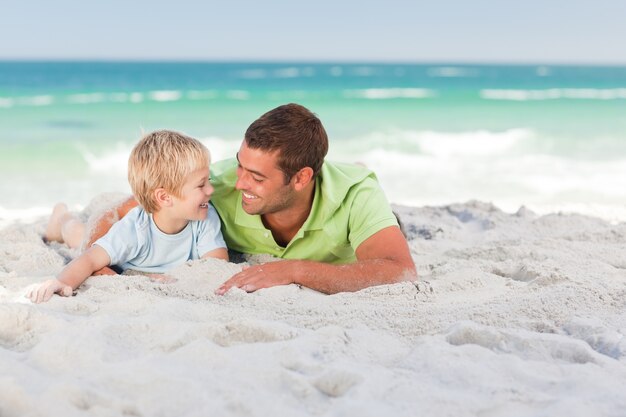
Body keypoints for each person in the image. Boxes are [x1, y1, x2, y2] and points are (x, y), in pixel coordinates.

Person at [62, 103, 416, 295]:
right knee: (79, 228)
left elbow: (399, 269)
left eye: (257, 177)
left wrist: (293, 271)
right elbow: (119, 212)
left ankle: (354, 165)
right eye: (240, 164)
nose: (239, 181)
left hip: (346, 188)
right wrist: (98, 261)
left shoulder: (357, 193)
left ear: (301, 178)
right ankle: (60, 221)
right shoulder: (218, 180)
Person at [28, 130, 228, 303]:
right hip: (115, 242)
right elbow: (89, 260)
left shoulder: (205, 216)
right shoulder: (134, 230)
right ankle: (61, 217)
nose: (210, 190)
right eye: (201, 184)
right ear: (165, 197)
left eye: (208, 180)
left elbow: (216, 266)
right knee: (78, 235)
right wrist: (61, 282)